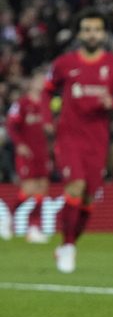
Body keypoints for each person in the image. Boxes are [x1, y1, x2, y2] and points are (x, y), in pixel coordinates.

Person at [45, 9, 113, 273]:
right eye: (87, 29)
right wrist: (47, 119)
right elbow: (46, 91)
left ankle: (69, 244)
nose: (92, 34)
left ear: (104, 34)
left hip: (97, 141)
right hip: (69, 136)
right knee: (75, 186)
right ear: (79, 33)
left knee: (88, 199)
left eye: (96, 29)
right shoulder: (64, 63)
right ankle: (68, 247)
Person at [2, 71, 54, 244]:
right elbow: (11, 124)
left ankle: (33, 229)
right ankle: (8, 219)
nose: (42, 83)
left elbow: (49, 126)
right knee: (28, 189)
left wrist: (50, 130)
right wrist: (19, 144)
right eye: (39, 80)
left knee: (43, 188)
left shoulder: (46, 104)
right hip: (27, 152)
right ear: (32, 83)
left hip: (42, 152)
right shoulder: (22, 104)